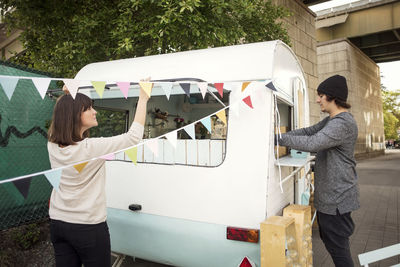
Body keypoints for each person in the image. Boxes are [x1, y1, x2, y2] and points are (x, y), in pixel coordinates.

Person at [47, 82, 150, 267]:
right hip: (88, 227)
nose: (95, 112)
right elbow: (133, 137)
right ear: (76, 115)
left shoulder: (52, 145)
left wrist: (69, 96)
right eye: (88, 109)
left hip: (58, 221)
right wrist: (143, 98)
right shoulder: (91, 148)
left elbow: (62, 118)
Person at [277, 75, 359, 267]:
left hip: (337, 200)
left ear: (332, 96)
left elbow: (313, 143)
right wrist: (280, 135)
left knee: (338, 250)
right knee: (334, 245)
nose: (317, 99)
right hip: (332, 198)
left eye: (321, 95)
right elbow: (308, 132)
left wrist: (278, 140)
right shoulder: (332, 120)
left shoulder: (342, 123)